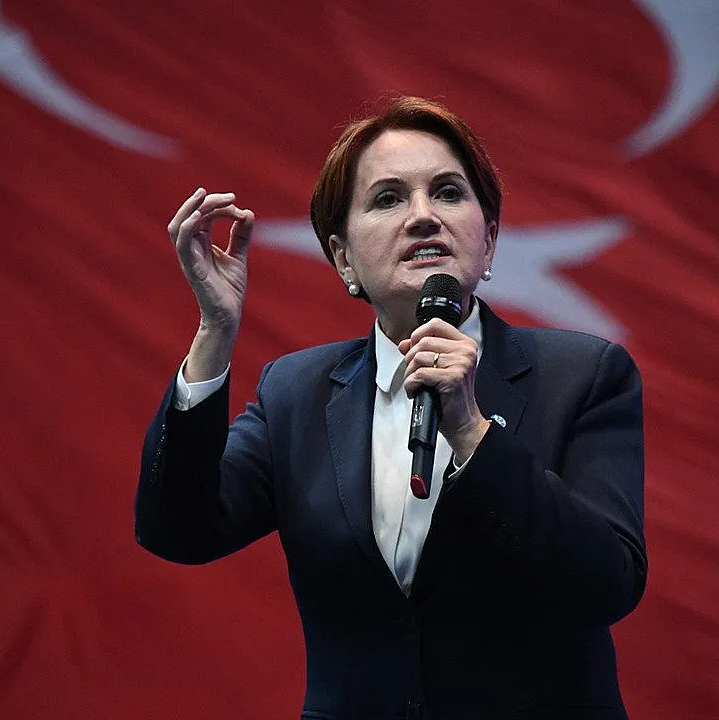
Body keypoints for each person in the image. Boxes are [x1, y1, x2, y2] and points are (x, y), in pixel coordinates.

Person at [136, 96, 647, 719]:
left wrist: (471, 432)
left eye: (448, 193)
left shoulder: (584, 376)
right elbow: (178, 531)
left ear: (488, 241)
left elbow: (609, 583)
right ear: (344, 258)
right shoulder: (295, 392)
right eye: (388, 199)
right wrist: (215, 331)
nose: (423, 216)